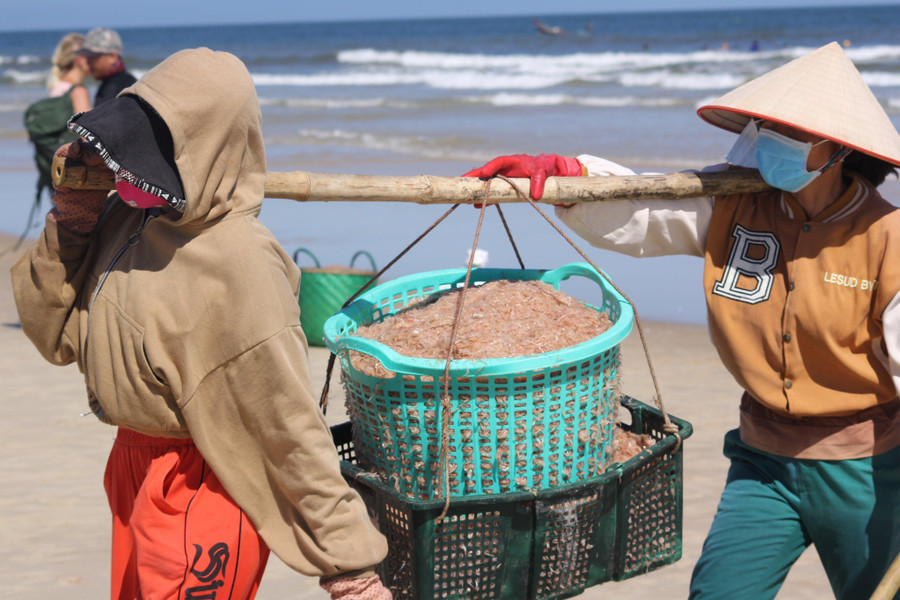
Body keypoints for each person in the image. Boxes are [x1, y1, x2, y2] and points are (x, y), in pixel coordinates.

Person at [464, 41, 900, 600]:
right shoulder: (734, 203)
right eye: (765, 129)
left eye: (788, 134)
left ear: (834, 149)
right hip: (762, 462)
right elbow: (645, 207)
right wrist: (566, 175)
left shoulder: (887, 239)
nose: (770, 144)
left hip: (864, 470)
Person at [11, 48, 390, 600]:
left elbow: (288, 424)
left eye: (152, 152)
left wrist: (350, 565)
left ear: (203, 151)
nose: (126, 169)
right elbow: (55, 336)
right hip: (132, 467)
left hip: (202, 480)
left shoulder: (241, 266)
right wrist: (70, 221)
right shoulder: (126, 216)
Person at [75, 27, 137, 106]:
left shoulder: (114, 89)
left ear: (112, 57)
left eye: (93, 56)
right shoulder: (129, 81)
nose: (88, 61)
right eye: (87, 56)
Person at [47, 32, 91, 113]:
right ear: (80, 59)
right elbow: (85, 125)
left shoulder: (58, 85)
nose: (94, 60)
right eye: (90, 55)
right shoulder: (78, 91)